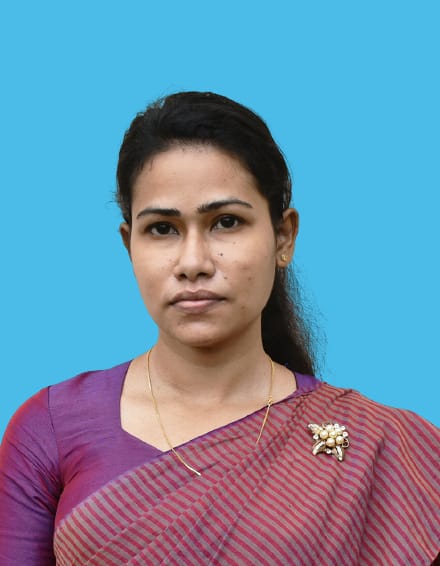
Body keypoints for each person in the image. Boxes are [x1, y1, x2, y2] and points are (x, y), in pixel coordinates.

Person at [0, 92, 438, 565]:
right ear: (129, 245)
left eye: (226, 222)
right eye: (162, 229)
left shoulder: (380, 445)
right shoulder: (53, 426)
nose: (193, 262)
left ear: (284, 236)